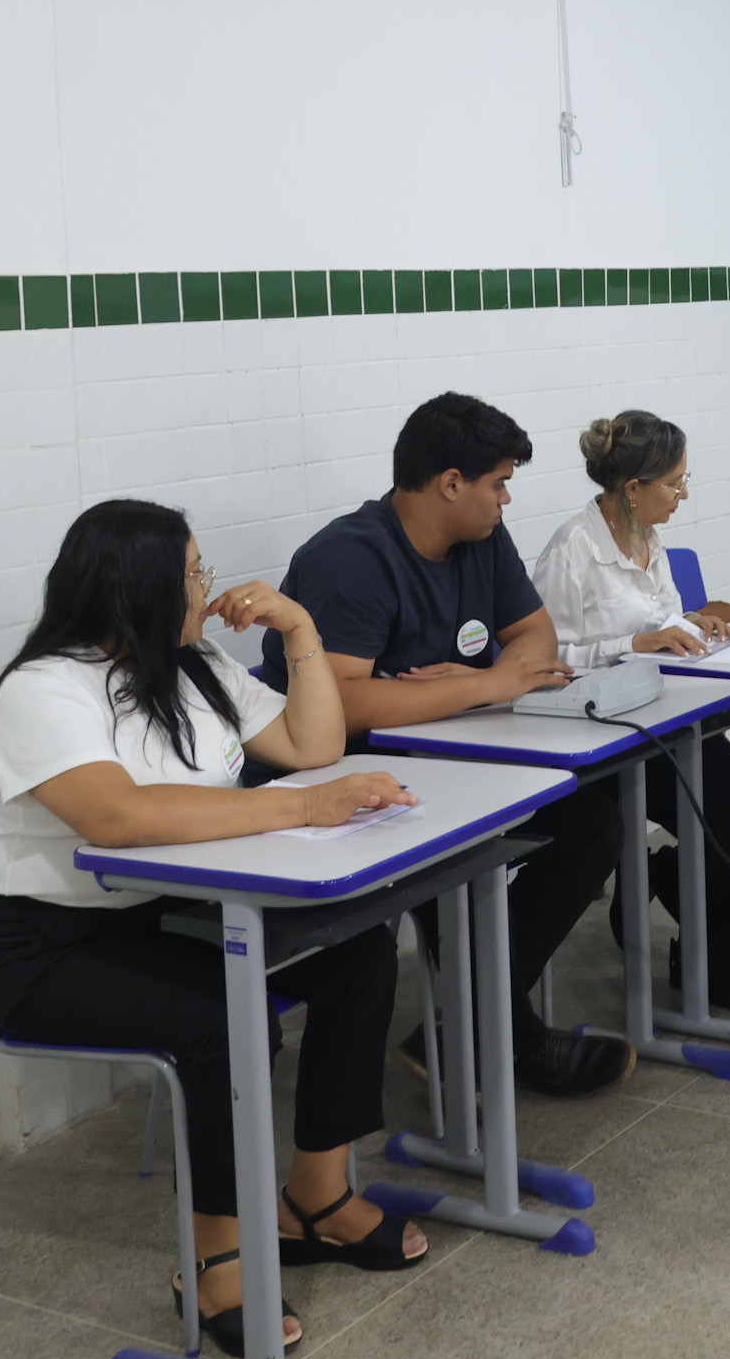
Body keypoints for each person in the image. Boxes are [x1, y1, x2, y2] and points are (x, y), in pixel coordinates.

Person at [0, 499, 428, 1359]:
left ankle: (317, 1198)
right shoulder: (43, 690)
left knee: (356, 947)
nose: (205, 590)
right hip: (47, 951)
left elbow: (314, 743)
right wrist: (293, 808)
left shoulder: (192, 664)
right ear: (132, 587)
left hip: (163, 914)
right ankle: (216, 1257)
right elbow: (120, 817)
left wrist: (298, 627)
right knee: (220, 1020)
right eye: (190, 575)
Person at [262, 393, 636, 1099]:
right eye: (498, 483)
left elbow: (537, 642)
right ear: (451, 484)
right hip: (357, 774)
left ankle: (461, 1025)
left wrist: (472, 682)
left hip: (458, 750)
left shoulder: (481, 539)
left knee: (592, 823)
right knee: (459, 857)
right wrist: (480, 685)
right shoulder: (349, 559)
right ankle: (496, 1037)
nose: (506, 500)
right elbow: (340, 708)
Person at [528, 409, 730, 1013]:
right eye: (674, 483)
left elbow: (660, 622)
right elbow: (542, 661)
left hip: (668, 715)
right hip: (609, 736)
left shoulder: (650, 539)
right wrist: (633, 645)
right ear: (632, 489)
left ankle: (664, 878)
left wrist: (689, 623)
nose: (683, 494)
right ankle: (716, 983)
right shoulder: (572, 549)